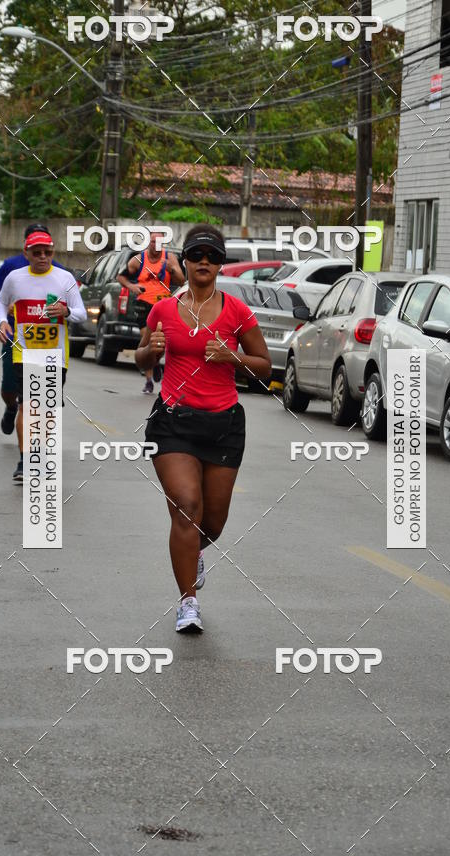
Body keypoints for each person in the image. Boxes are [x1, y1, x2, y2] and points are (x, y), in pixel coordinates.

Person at [135, 225, 271, 633]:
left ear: (220, 263)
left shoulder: (236, 311)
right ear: (185, 263)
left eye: (212, 256)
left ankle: (192, 551)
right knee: (186, 508)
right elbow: (141, 359)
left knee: (211, 524)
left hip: (224, 425)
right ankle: (187, 602)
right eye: (196, 255)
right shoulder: (162, 310)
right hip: (173, 425)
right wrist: (151, 350)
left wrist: (233, 357)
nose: (204, 262)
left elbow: (264, 367)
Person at [0, 230, 87, 481]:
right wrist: (3, 322)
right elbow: (1, 303)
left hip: (55, 356)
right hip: (24, 353)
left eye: (48, 252)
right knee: (27, 405)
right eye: (37, 253)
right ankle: (25, 462)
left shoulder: (64, 278)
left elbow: (82, 314)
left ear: (53, 252)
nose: (43, 257)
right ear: (27, 254)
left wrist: (66, 311)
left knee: (46, 410)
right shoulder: (15, 278)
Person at [0, 223, 68, 437]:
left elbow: (72, 305)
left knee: (38, 399)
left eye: (46, 248)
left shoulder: (58, 271)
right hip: (15, 335)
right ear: (26, 247)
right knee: (9, 388)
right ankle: (11, 407)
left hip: (48, 343)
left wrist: (63, 311)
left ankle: (35, 447)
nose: (42, 253)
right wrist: (8, 309)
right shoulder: (11, 267)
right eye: (35, 245)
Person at [118, 232, 184, 394]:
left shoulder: (170, 258)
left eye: (159, 242)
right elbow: (121, 277)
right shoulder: (138, 260)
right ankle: (149, 380)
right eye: (153, 241)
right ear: (148, 242)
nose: (156, 245)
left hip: (163, 306)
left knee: (161, 342)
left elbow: (182, 281)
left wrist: (173, 271)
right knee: (147, 341)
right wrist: (132, 287)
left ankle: (154, 364)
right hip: (144, 305)